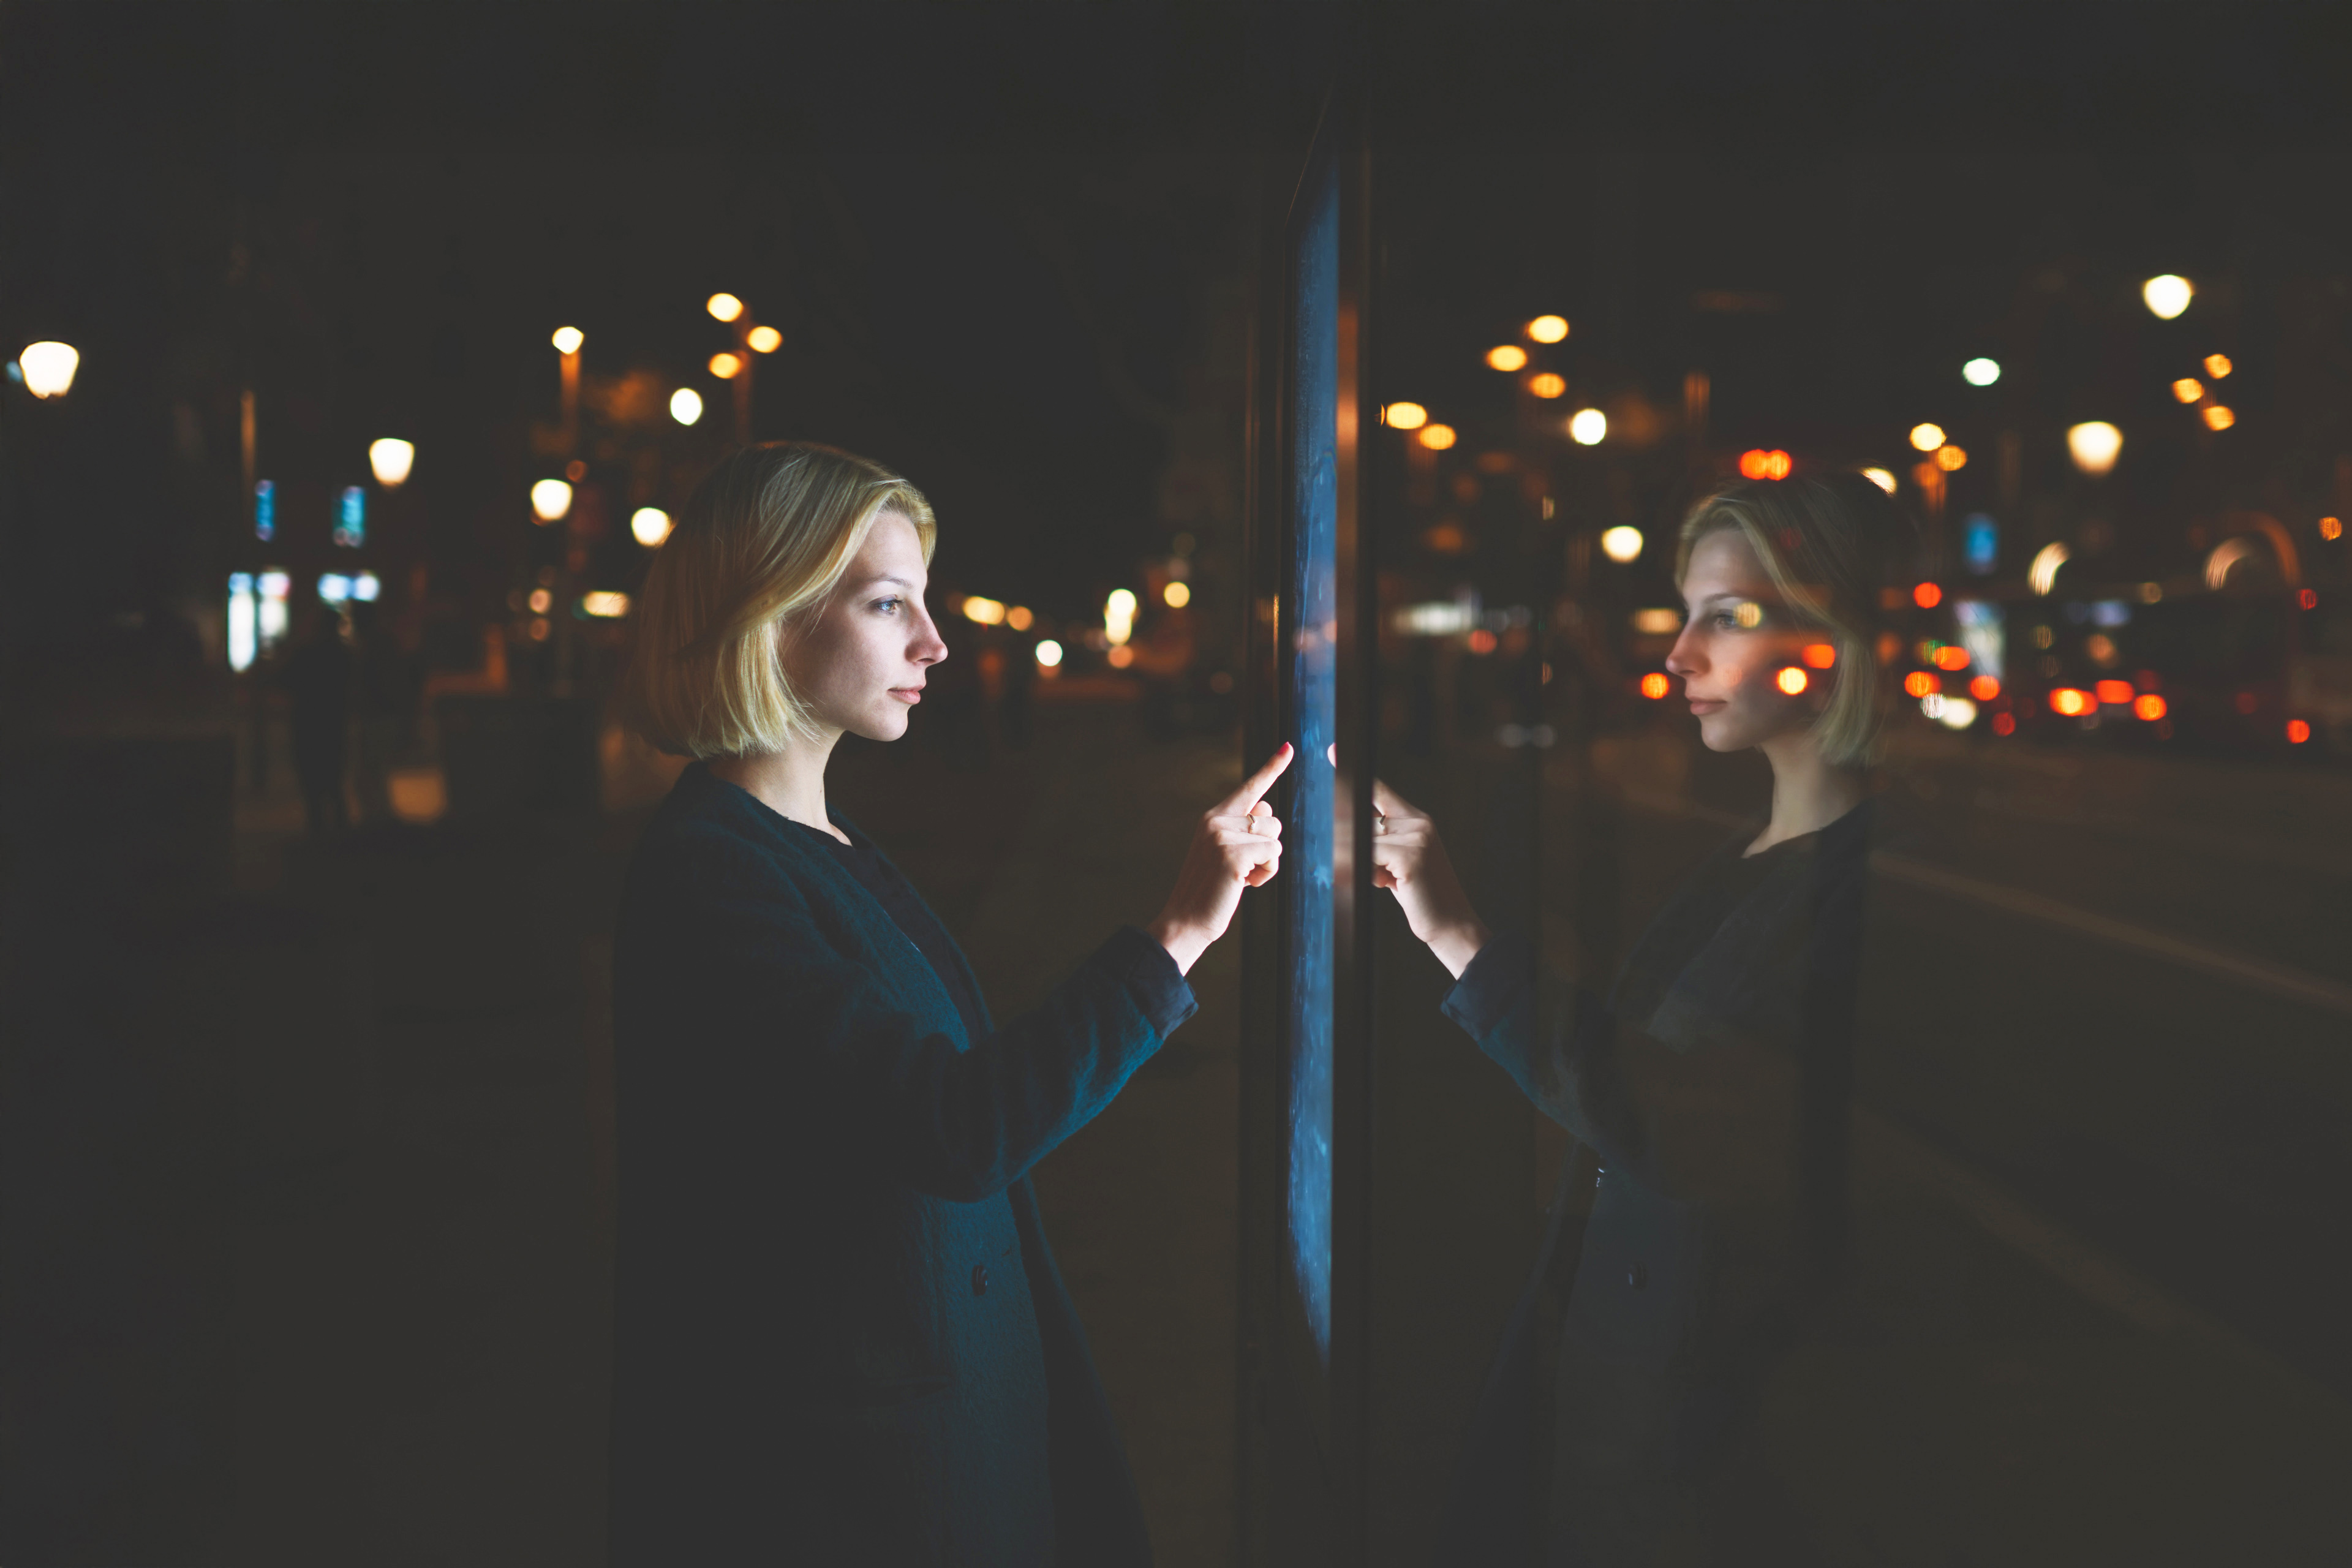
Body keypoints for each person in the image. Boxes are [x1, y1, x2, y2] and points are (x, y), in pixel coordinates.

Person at [607, 441, 1291, 1565]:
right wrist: (1181, 931)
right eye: (889, 604)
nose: (934, 642)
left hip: (926, 1445)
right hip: (854, 1489)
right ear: (768, 615)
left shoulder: (821, 847)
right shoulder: (713, 872)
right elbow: (956, 1126)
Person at [1371, 475, 1910, 1564]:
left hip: (1710, 1452)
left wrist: (1458, 934)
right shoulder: (1747, 865)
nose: (1680, 658)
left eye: (1730, 616)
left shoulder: (1863, 889)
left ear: (1837, 632)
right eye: (1685, 615)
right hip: (1635, 1399)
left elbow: (1687, 1130)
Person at [281, 598, 355, 837]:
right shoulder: (345, 655)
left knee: (312, 785)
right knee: (334, 784)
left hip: (308, 724)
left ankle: (318, 834)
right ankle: (341, 835)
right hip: (334, 724)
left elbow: (284, 681)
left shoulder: (306, 653)